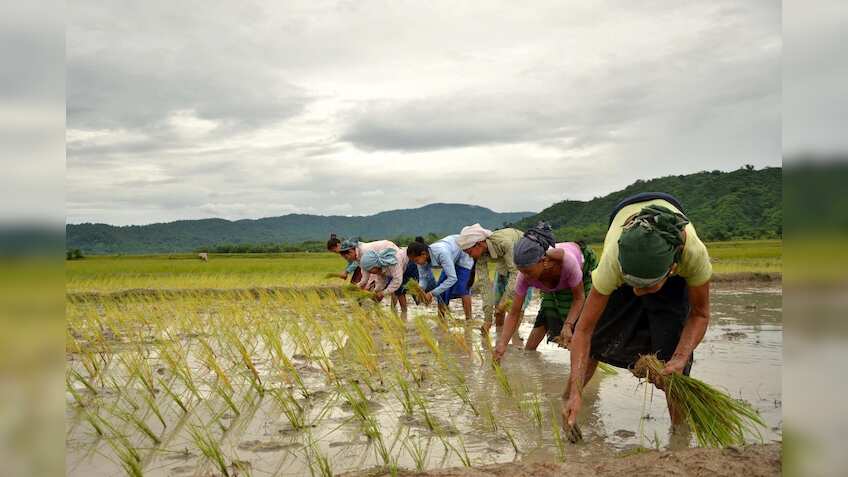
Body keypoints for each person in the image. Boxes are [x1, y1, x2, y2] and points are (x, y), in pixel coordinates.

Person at [563, 192, 712, 428]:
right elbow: (584, 331)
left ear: (673, 269)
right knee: (598, 340)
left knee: (675, 367)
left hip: (665, 260)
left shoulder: (693, 255)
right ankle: (569, 401)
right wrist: (576, 391)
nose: (638, 293)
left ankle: (679, 433)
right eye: (633, 285)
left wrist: (680, 357)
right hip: (626, 251)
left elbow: (700, 314)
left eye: (647, 287)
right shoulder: (613, 261)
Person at [492, 222, 597, 361]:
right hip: (550, 281)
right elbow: (514, 313)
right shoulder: (524, 275)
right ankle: (530, 358)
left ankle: (589, 361)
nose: (525, 276)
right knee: (547, 313)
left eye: (528, 271)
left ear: (545, 261)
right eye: (521, 271)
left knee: (583, 323)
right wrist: (502, 344)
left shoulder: (568, 264)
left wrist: (568, 324)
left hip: (583, 273)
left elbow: (579, 298)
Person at [456, 224, 533, 333]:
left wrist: (505, 301)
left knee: (516, 307)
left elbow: (516, 273)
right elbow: (485, 286)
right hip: (503, 264)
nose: (469, 256)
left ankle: (514, 337)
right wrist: (487, 319)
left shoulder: (503, 243)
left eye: (469, 252)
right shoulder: (480, 256)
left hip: (524, 262)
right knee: (498, 306)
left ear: (479, 244)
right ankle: (499, 335)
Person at [406, 235, 475, 320]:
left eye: (416, 260)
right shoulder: (421, 259)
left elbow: (452, 278)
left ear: (423, 254)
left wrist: (431, 294)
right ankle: (441, 318)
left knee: (463, 288)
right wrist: (421, 291)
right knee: (440, 287)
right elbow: (423, 278)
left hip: (463, 253)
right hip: (450, 256)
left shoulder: (442, 253)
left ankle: (469, 319)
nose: (416, 263)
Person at [359, 246, 419, 317]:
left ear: (375, 266)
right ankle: (404, 312)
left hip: (410, 263)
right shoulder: (379, 268)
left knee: (411, 292)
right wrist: (376, 291)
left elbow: (397, 281)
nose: (370, 272)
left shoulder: (393, 264)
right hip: (400, 269)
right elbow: (381, 281)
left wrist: (383, 293)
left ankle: (406, 311)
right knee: (399, 291)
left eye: (370, 270)